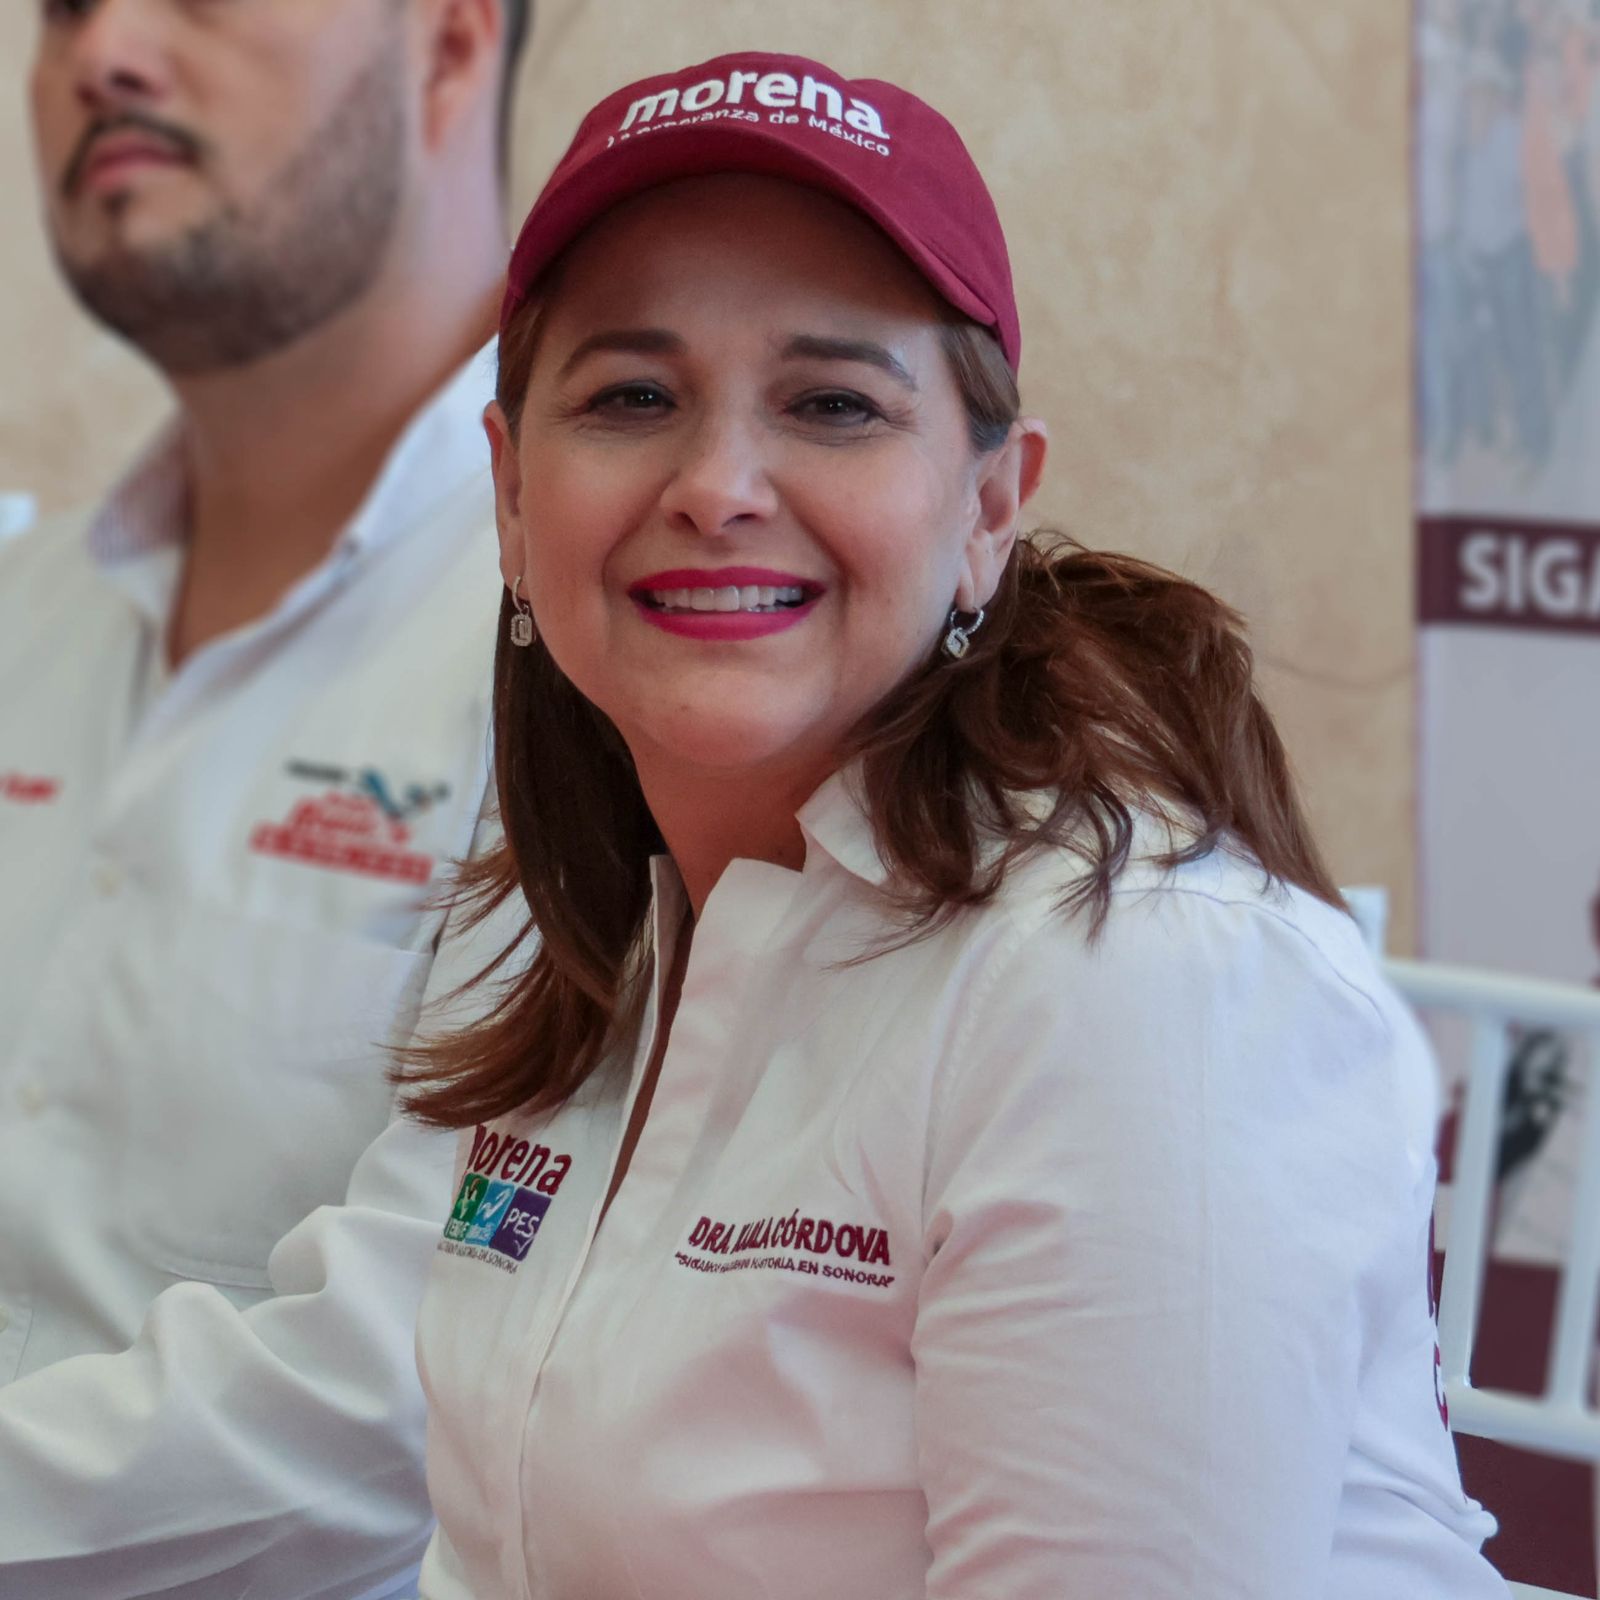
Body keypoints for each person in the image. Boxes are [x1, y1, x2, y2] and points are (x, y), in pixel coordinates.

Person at [395, 50, 1513, 1599]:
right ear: (515, 500)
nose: (718, 483)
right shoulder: (585, 933)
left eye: (834, 403)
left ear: (990, 506)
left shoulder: (1136, 991)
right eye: (633, 395)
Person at [0, 1, 532, 1594]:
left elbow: (430, 1366)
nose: (106, 53)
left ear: (446, 47)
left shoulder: (599, 648)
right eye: (70, 5)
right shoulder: (28, 609)